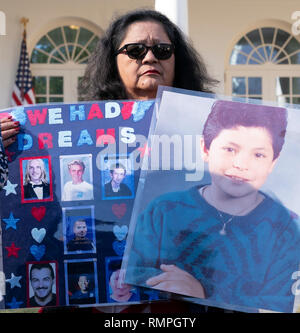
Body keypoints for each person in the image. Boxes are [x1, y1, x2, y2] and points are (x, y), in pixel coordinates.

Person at [42, 8, 218, 313]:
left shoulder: (213, 132)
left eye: (162, 50)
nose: (150, 58)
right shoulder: (75, 136)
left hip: (184, 300)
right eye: (135, 50)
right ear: (114, 60)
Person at [125, 100, 300, 313]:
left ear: (273, 161)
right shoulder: (163, 210)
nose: (241, 164)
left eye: (258, 154)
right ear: (205, 149)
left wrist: (204, 293)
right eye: (230, 149)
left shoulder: (287, 230)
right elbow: (133, 272)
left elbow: (279, 304)